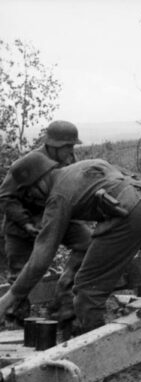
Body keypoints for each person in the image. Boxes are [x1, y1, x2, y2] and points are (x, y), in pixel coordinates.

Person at [0, 153, 141, 333]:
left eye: (29, 192)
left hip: (132, 211)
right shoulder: (87, 165)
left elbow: (41, 258)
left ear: (38, 183)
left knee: (87, 290)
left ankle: (98, 358)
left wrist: (11, 297)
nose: (32, 198)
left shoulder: (58, 196)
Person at [0, 120, 91, 325]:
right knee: (21, 272)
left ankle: (64, 301)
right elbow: (6, 197)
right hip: (22, 224)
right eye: (67, 147)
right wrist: (25, 223)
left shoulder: (68, 161)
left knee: (88, 243)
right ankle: (17, 322)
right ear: (53, 145)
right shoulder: (29, 163)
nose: (70, 151)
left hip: (56, 215)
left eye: (72, 146)